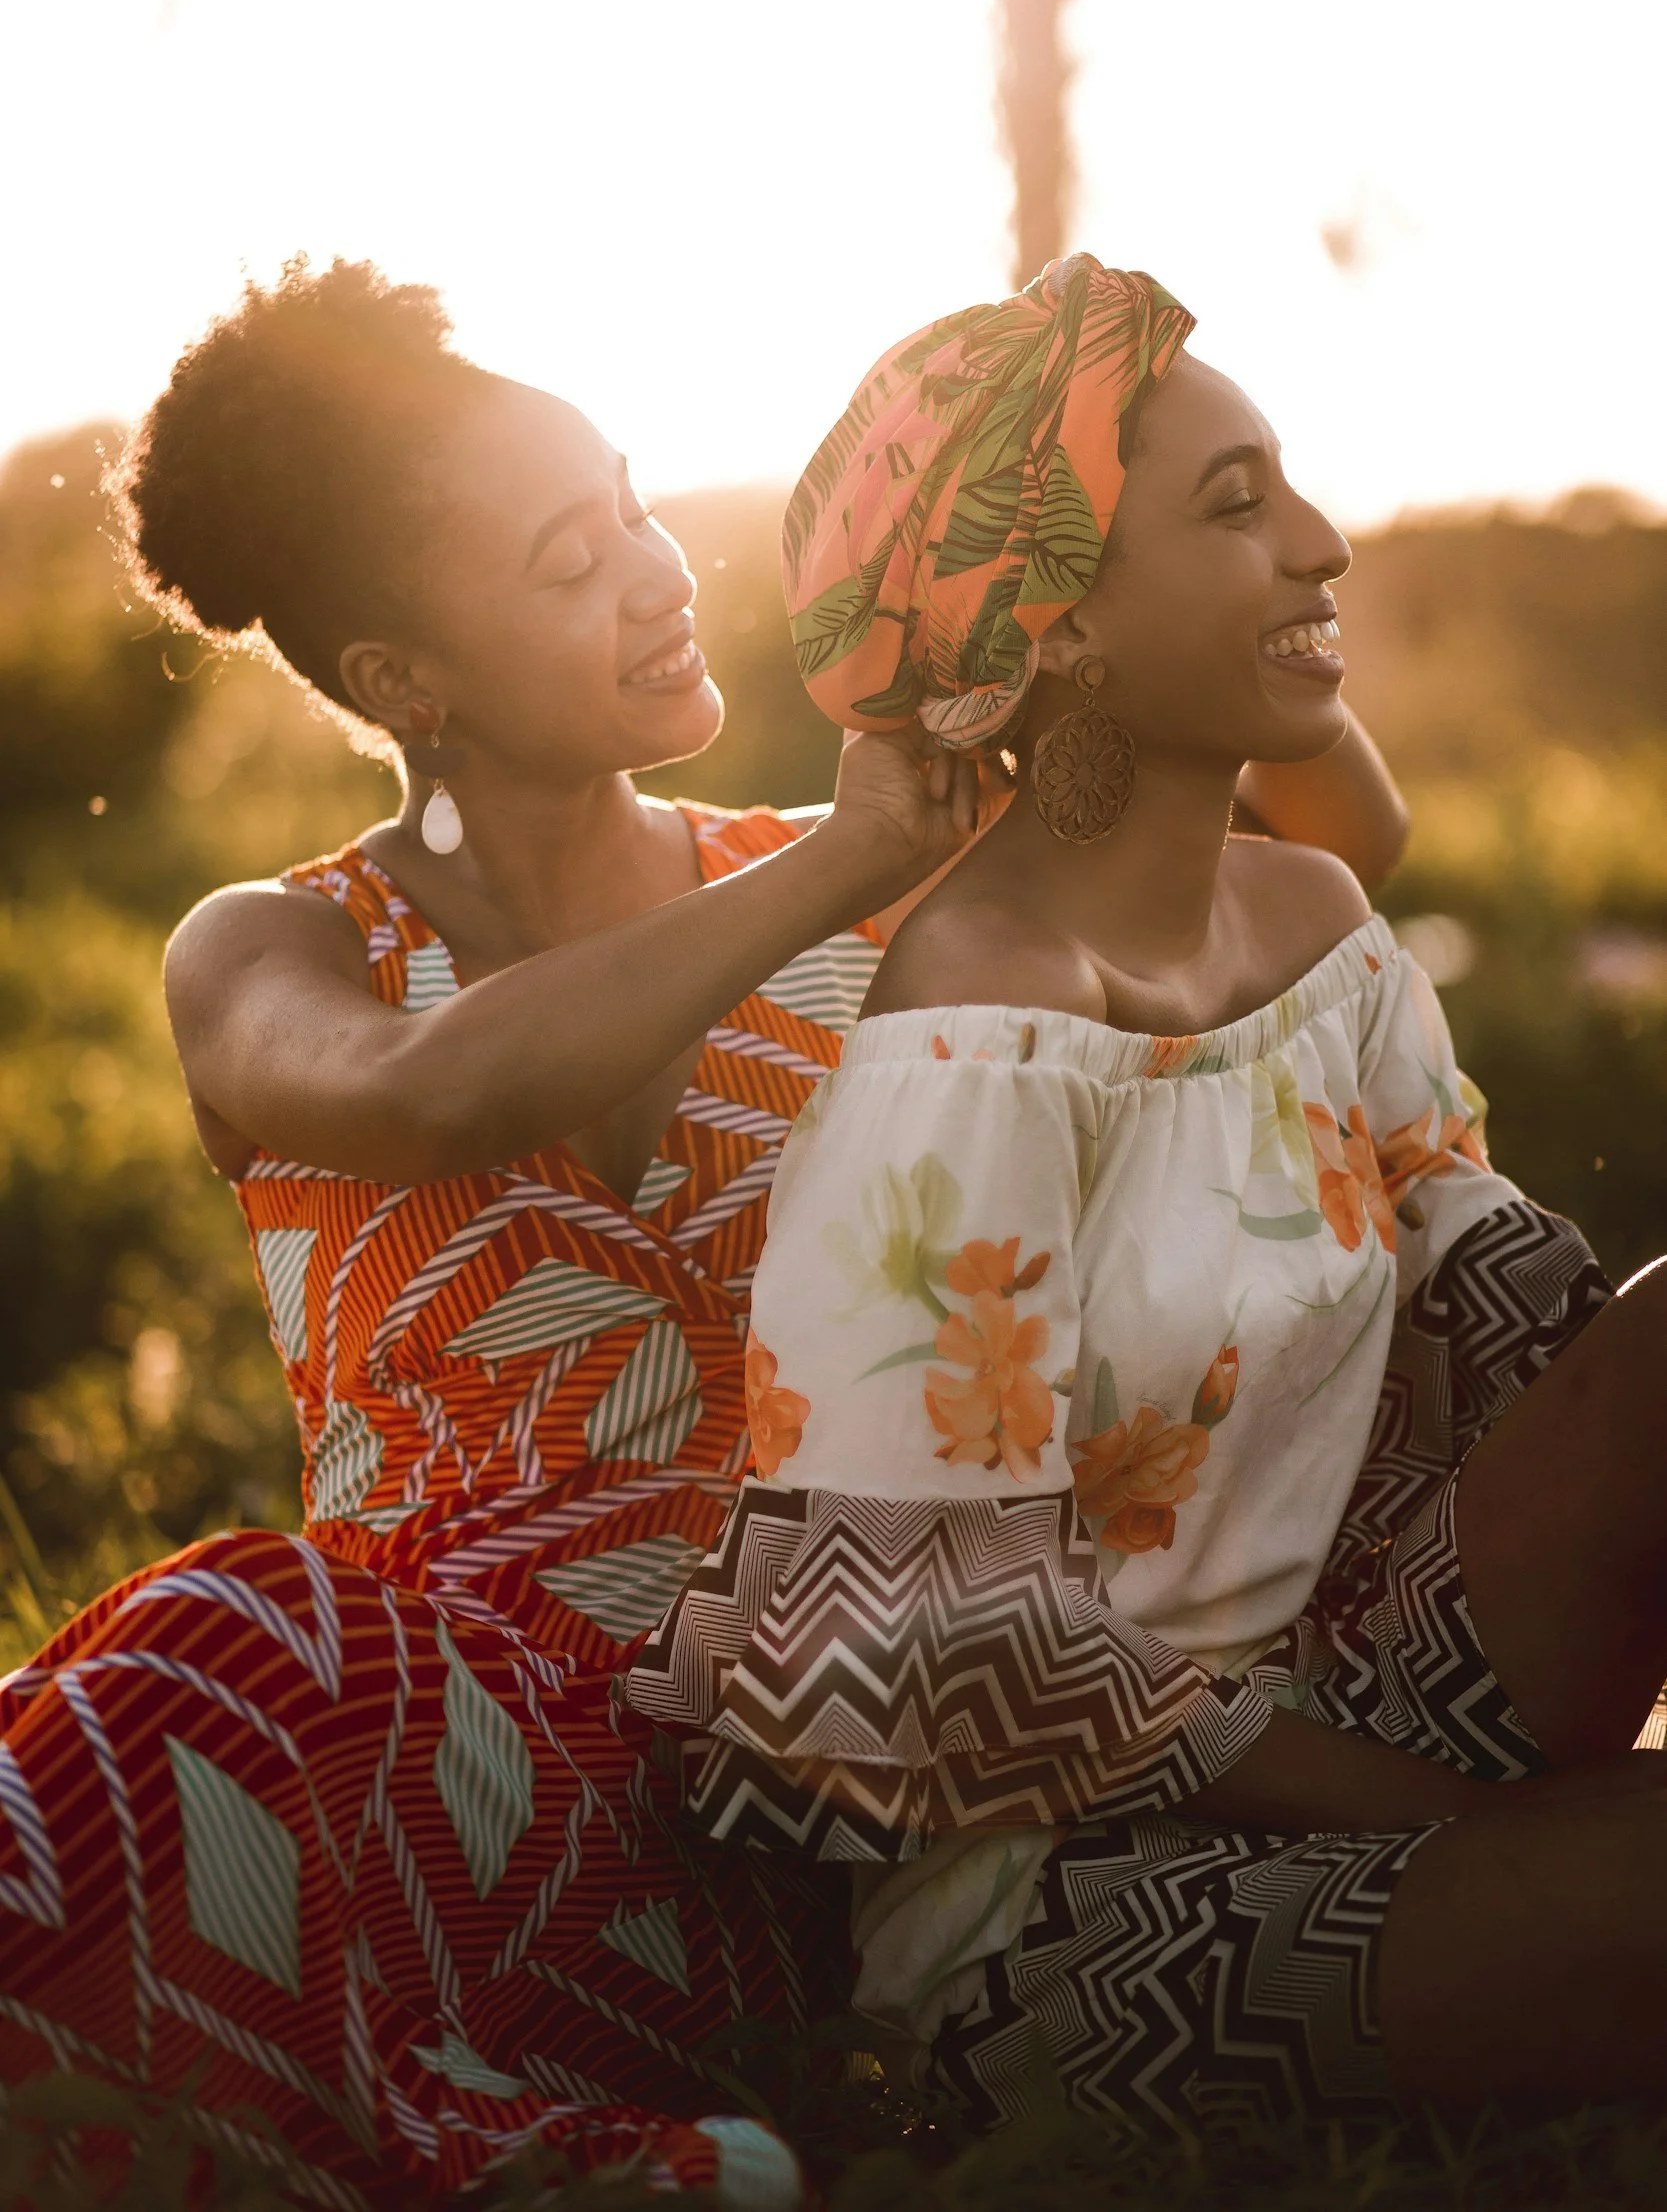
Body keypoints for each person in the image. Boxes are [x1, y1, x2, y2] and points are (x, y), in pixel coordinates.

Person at [0, 258, 1412, 2205]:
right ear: (403, 677)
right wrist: (844, 857)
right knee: (245, 1641)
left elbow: (1316, 851)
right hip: (426, 1744)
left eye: (638, 502)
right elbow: (430, 1097)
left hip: (775, 1779)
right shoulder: (282, 942)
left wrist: (1083, 498)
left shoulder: (900, 905)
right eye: (571, 561)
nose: (659, 571)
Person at [628, 254, 1667, 2138]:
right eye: (1236, 506)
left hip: (1365, 1677)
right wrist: (1472, 1822)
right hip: (1065, 1895)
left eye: (1290, 484)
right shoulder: (972, 1035)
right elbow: (942, 1649)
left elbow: (1510, 1307)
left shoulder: (1323, 932)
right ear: (1065, 630)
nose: (1325, 544)